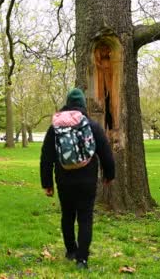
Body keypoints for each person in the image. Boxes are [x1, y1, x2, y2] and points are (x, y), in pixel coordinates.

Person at [40, 88, 115, 270]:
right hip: (87, 180)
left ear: (67, 104)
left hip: (64, 180)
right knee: (85, 217)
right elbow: (106, 153)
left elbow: (46, 156)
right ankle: (82, 259)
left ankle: (71, 251)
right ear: (82, 105)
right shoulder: (91, 125)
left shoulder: (55, 128)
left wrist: (47, 183)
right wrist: (109, 175)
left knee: (67, 215)